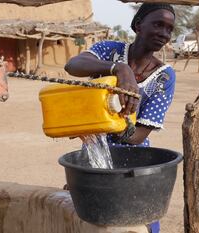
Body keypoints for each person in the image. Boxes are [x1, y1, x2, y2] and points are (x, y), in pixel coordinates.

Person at [64, 3, 176, 233]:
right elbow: (72, 65)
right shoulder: (110, 51)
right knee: (89, 220)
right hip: (92, 160)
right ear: (138, 25)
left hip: (132, 165)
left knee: (138, 218)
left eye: (169, 29)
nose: (163, 33)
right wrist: (119, 69)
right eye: (157, 24)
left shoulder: (163, 77)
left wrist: (101, 121)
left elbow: (137, 136)